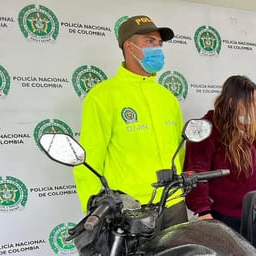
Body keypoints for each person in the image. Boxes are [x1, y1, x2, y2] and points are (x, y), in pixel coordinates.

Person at [74, 15, 186, 228]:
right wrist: (94, 208)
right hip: (131, 209)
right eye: (149, 42)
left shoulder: (167, 97)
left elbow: (179, 151)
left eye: (159, 44)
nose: (158, 49)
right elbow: (89, 159)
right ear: (129, 46)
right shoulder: (103, 96)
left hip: (174, 203)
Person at [183, 75, 256, 232]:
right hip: (226, 217)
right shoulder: (208, 129)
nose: (255, 107)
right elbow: (197, 172)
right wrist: (203, 211)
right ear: (231, 102)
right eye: (249, 102)